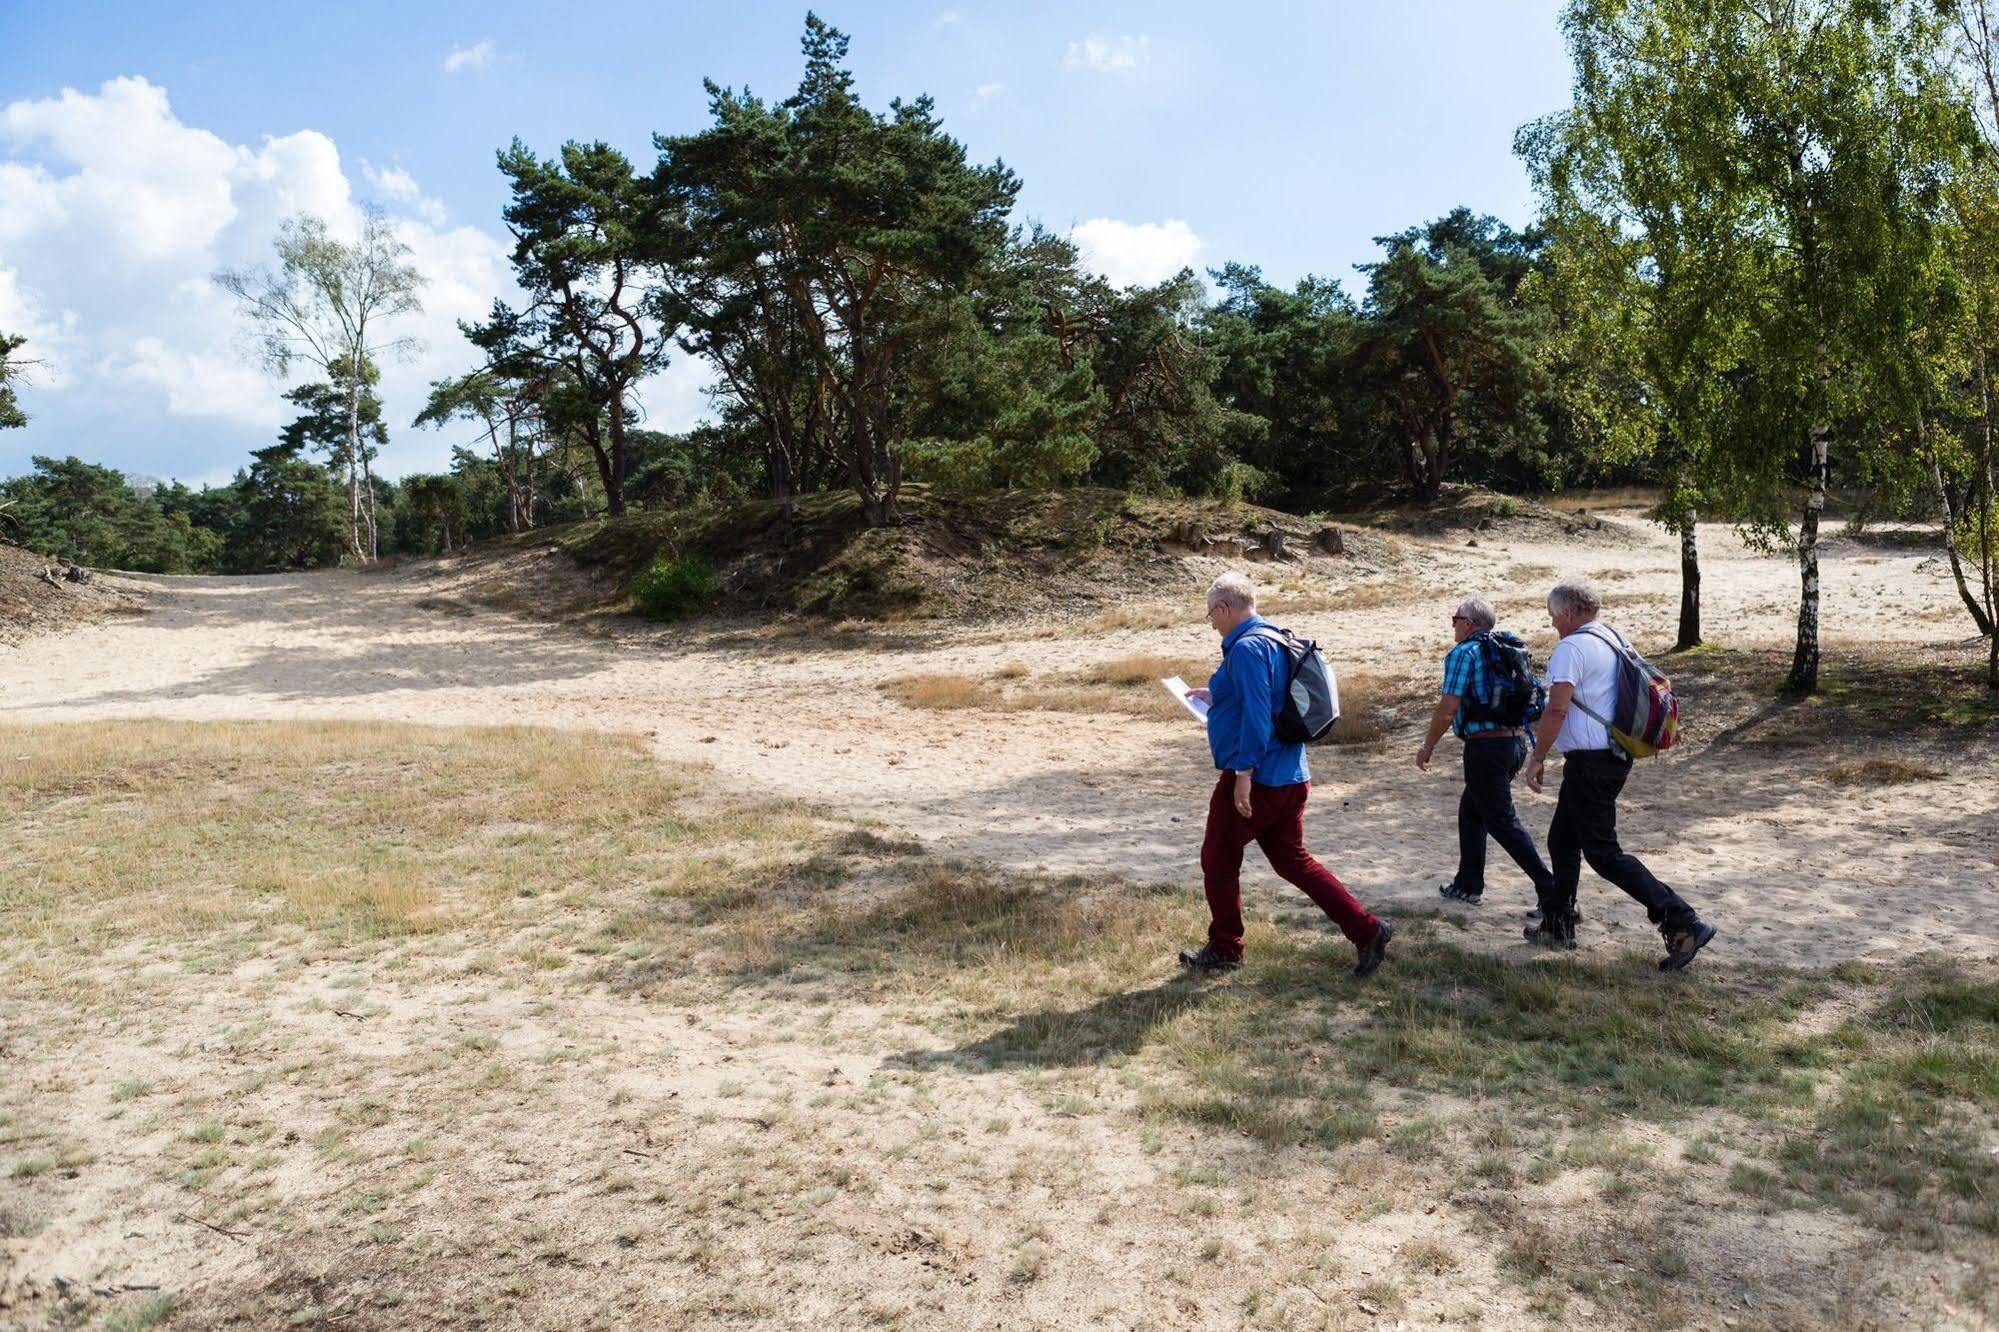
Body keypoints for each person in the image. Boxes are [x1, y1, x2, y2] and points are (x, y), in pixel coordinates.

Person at [1179, 572, 1391, 977]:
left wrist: (1243, 773)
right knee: (1294, 861)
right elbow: (1269, 700)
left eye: (1211, 616)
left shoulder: (1244, 649)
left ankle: (1226, 948)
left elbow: (1258, 718)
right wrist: (1215, 694)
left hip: (1259, 778)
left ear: (1224, 608)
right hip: (1293, 774)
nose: (1212, 624)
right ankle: (1367, 930)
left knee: (1218, 859)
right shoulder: (1276, 637)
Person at [1522, 579, 1717, 970]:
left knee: (1603, 853)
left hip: (1591, 763)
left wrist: (1538, 756)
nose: (1553, 626)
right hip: (1610, 757)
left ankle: (1682, 920)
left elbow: (1557, 710)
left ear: (1569, 613)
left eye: (1553, 618)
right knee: (1562, 839)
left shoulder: (1571, 647)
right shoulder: (1614, 638)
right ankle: (1558, 923)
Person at [1416, 596, 1556, 909]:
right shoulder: (1505, 650)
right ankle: (1468, 884)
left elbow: (1447, 709)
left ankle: (1552, 891)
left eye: (1455, 618)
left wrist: (1428, 746)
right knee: (1472, 811)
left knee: (1502, 821)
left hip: (1486, 748)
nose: (1452, 624)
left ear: (1469, 623)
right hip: (1514, 744)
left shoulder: (1463, 653)